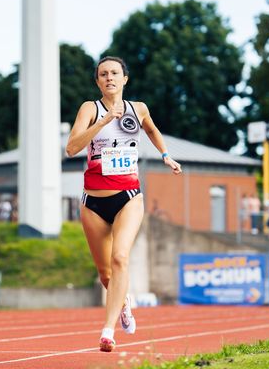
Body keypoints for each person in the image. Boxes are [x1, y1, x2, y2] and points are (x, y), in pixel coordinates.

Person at [65, 56, 182, 352]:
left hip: (129, 196)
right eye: (103, 74)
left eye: (114, 73)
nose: (109, 78)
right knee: (105, 274)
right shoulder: (90, 109)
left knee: (120, 258)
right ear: (97, 81)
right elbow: (71, 148)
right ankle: (125, 304)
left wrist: (166, 154)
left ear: (125, 78)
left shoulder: (138, 109)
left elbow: (152, 129)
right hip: (93, 202)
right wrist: (104, 120)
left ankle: (108, 331)